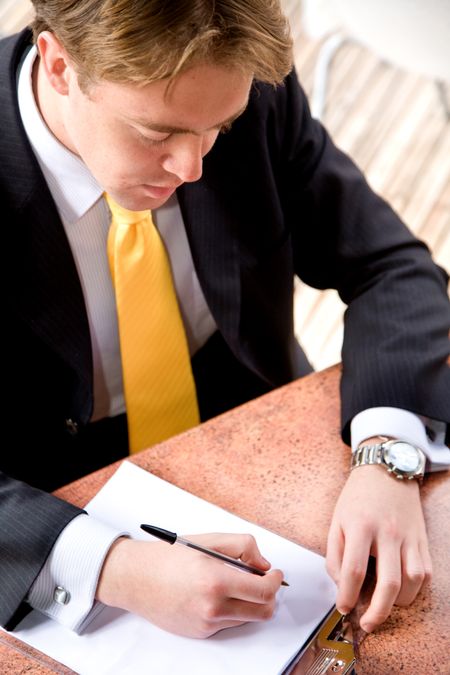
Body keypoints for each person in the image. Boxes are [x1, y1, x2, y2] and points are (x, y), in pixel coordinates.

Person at [0, 0, 449, 640]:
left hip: (250, 415)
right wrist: (112, 568)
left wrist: (387, 456)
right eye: (157, 134)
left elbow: (391, 266)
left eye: (218, 129)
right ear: (59, 64)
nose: (193, 168)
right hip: (44, 495)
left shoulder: (239, 89)